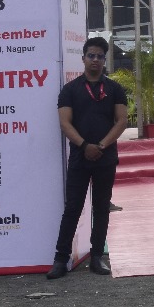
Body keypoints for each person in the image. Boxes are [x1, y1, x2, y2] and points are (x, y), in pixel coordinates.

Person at [47, 36, 128, 279]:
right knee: (73, 208)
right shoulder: (70, 90)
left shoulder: (115, 89)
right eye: (91, 55)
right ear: (83, 58)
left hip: (105, 156)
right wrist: (84, 146)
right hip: (80, 157)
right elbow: (65, 123)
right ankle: (61, 259)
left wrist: (101, 145)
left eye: (100, 56)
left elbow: (122, 121)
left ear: (104, 60)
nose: (95, 60)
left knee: (101, 208)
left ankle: (97, 257)